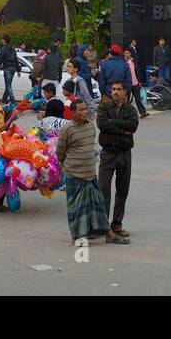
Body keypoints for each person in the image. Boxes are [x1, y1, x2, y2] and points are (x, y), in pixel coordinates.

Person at [56, 98, 121, 244]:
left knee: (98, 205)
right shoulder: (67, 129)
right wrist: (64, 165)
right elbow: (60, 152)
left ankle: (108, 234)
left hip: (90, 174)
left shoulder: (90, 126)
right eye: (81, 110)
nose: (85, 112)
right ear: (73, 113)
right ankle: (79, 237)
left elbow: (91, 144)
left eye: (85, 109)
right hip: (74, 174)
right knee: (76, 208)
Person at [96, 81, 138, 240]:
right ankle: (103, 226)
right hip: (108, 154)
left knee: (122, 190)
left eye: (119, 89)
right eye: (113, 89)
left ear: (125, 92)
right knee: (103, 189)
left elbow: (133, 126)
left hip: (125, 154)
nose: (116, 92)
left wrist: (112, 124)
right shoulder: (104, 107)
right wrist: (122, 130)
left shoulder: (131, 109)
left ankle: (117, 224)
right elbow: (102, 124)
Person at [0, 36, 20, 108]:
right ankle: (3, 101)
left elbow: (0, 58)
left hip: (7, 67)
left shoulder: (3, 48)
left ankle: (13, 101)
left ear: (5, 41)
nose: (2, 41)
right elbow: (16, 59)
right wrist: (18, 70)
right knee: (8, 85)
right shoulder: (13, 48)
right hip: (13, 68)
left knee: (8, 85)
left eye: (2, 40)